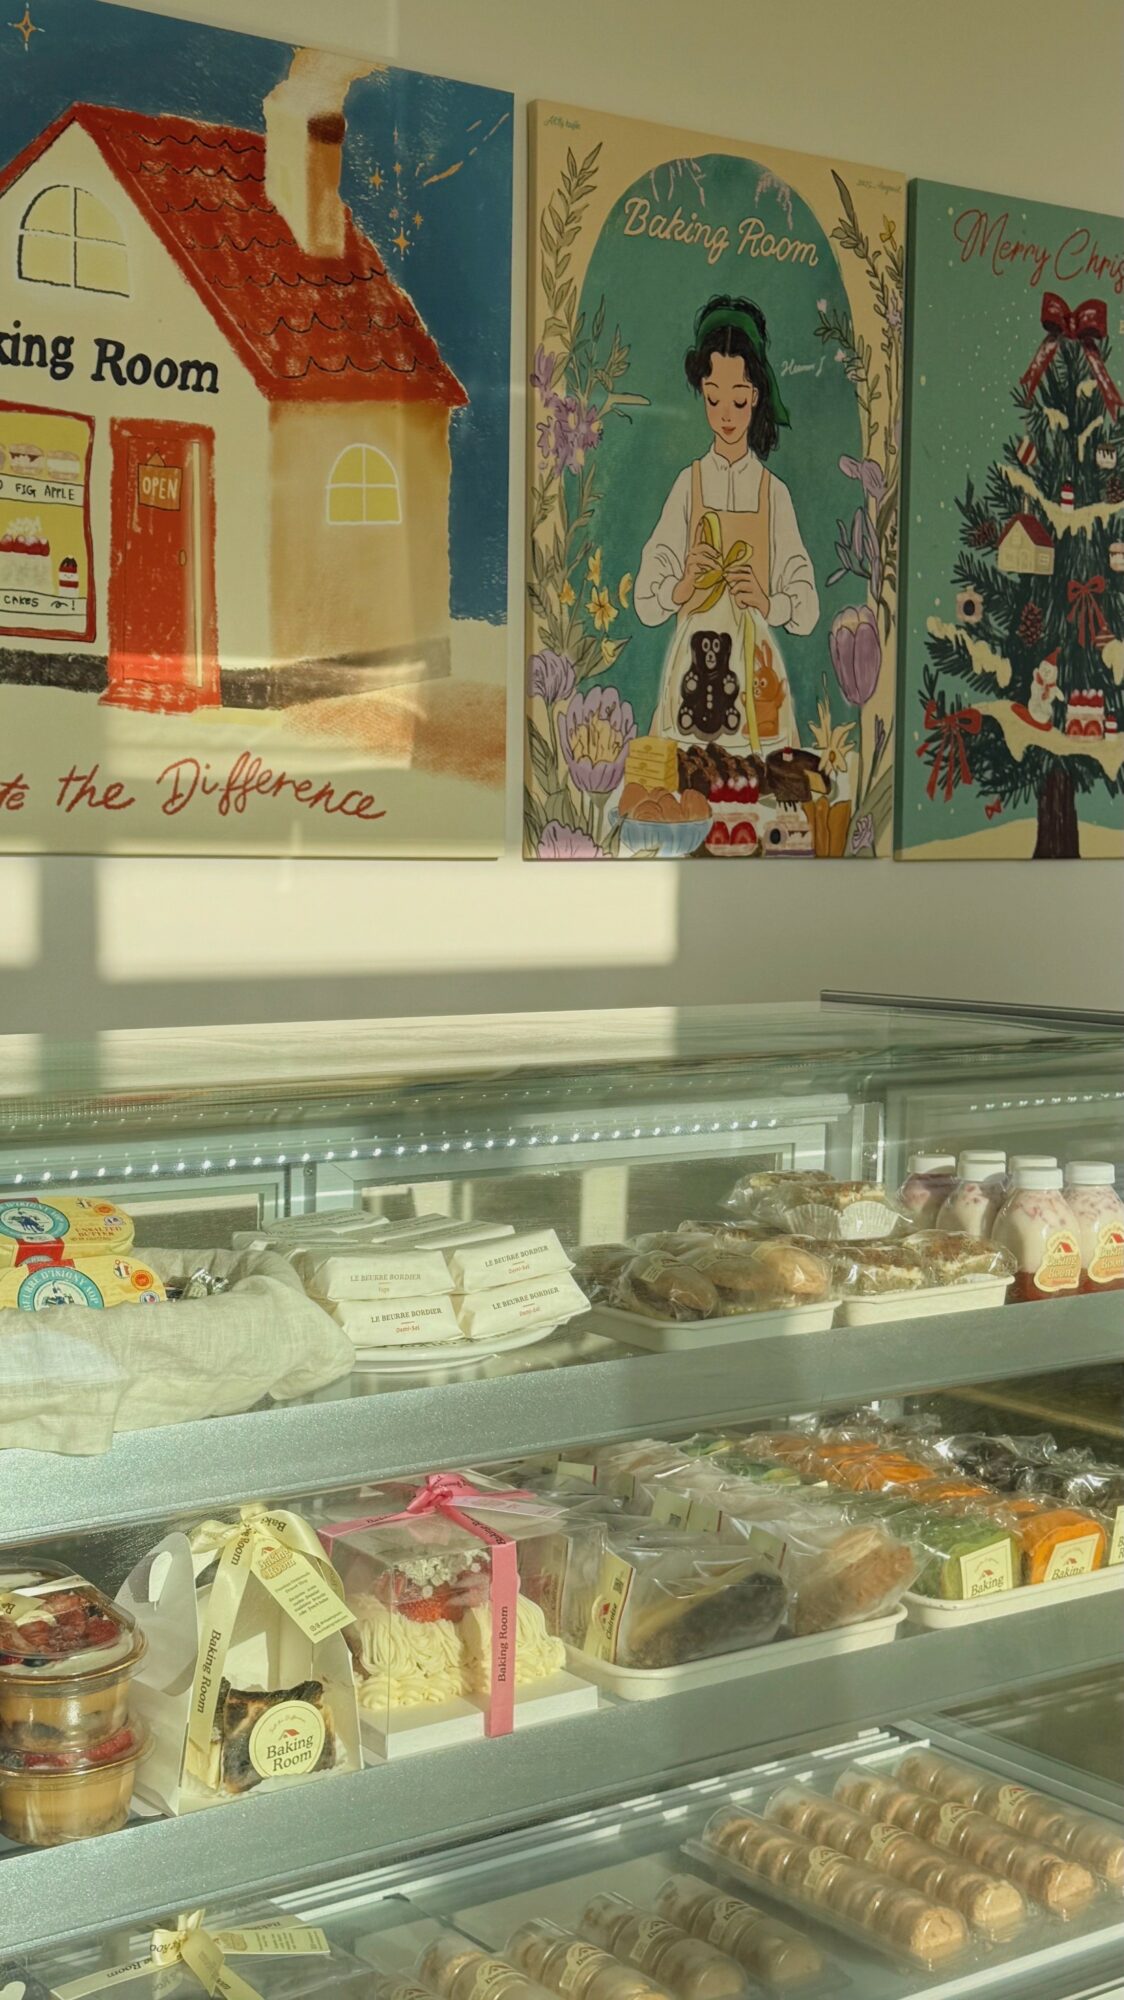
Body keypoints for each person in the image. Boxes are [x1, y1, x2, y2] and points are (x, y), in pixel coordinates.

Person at [635, 295, 818, 754]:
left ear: (755, 395)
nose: (726, 415)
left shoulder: (773, 493)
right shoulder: (688, 484)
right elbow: (647, 599)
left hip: (755, 678)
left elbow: (807, 606)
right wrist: (682, 586)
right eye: (714, 398)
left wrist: (768, 600)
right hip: (690, 672)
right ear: (702, 391)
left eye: (738, 399)